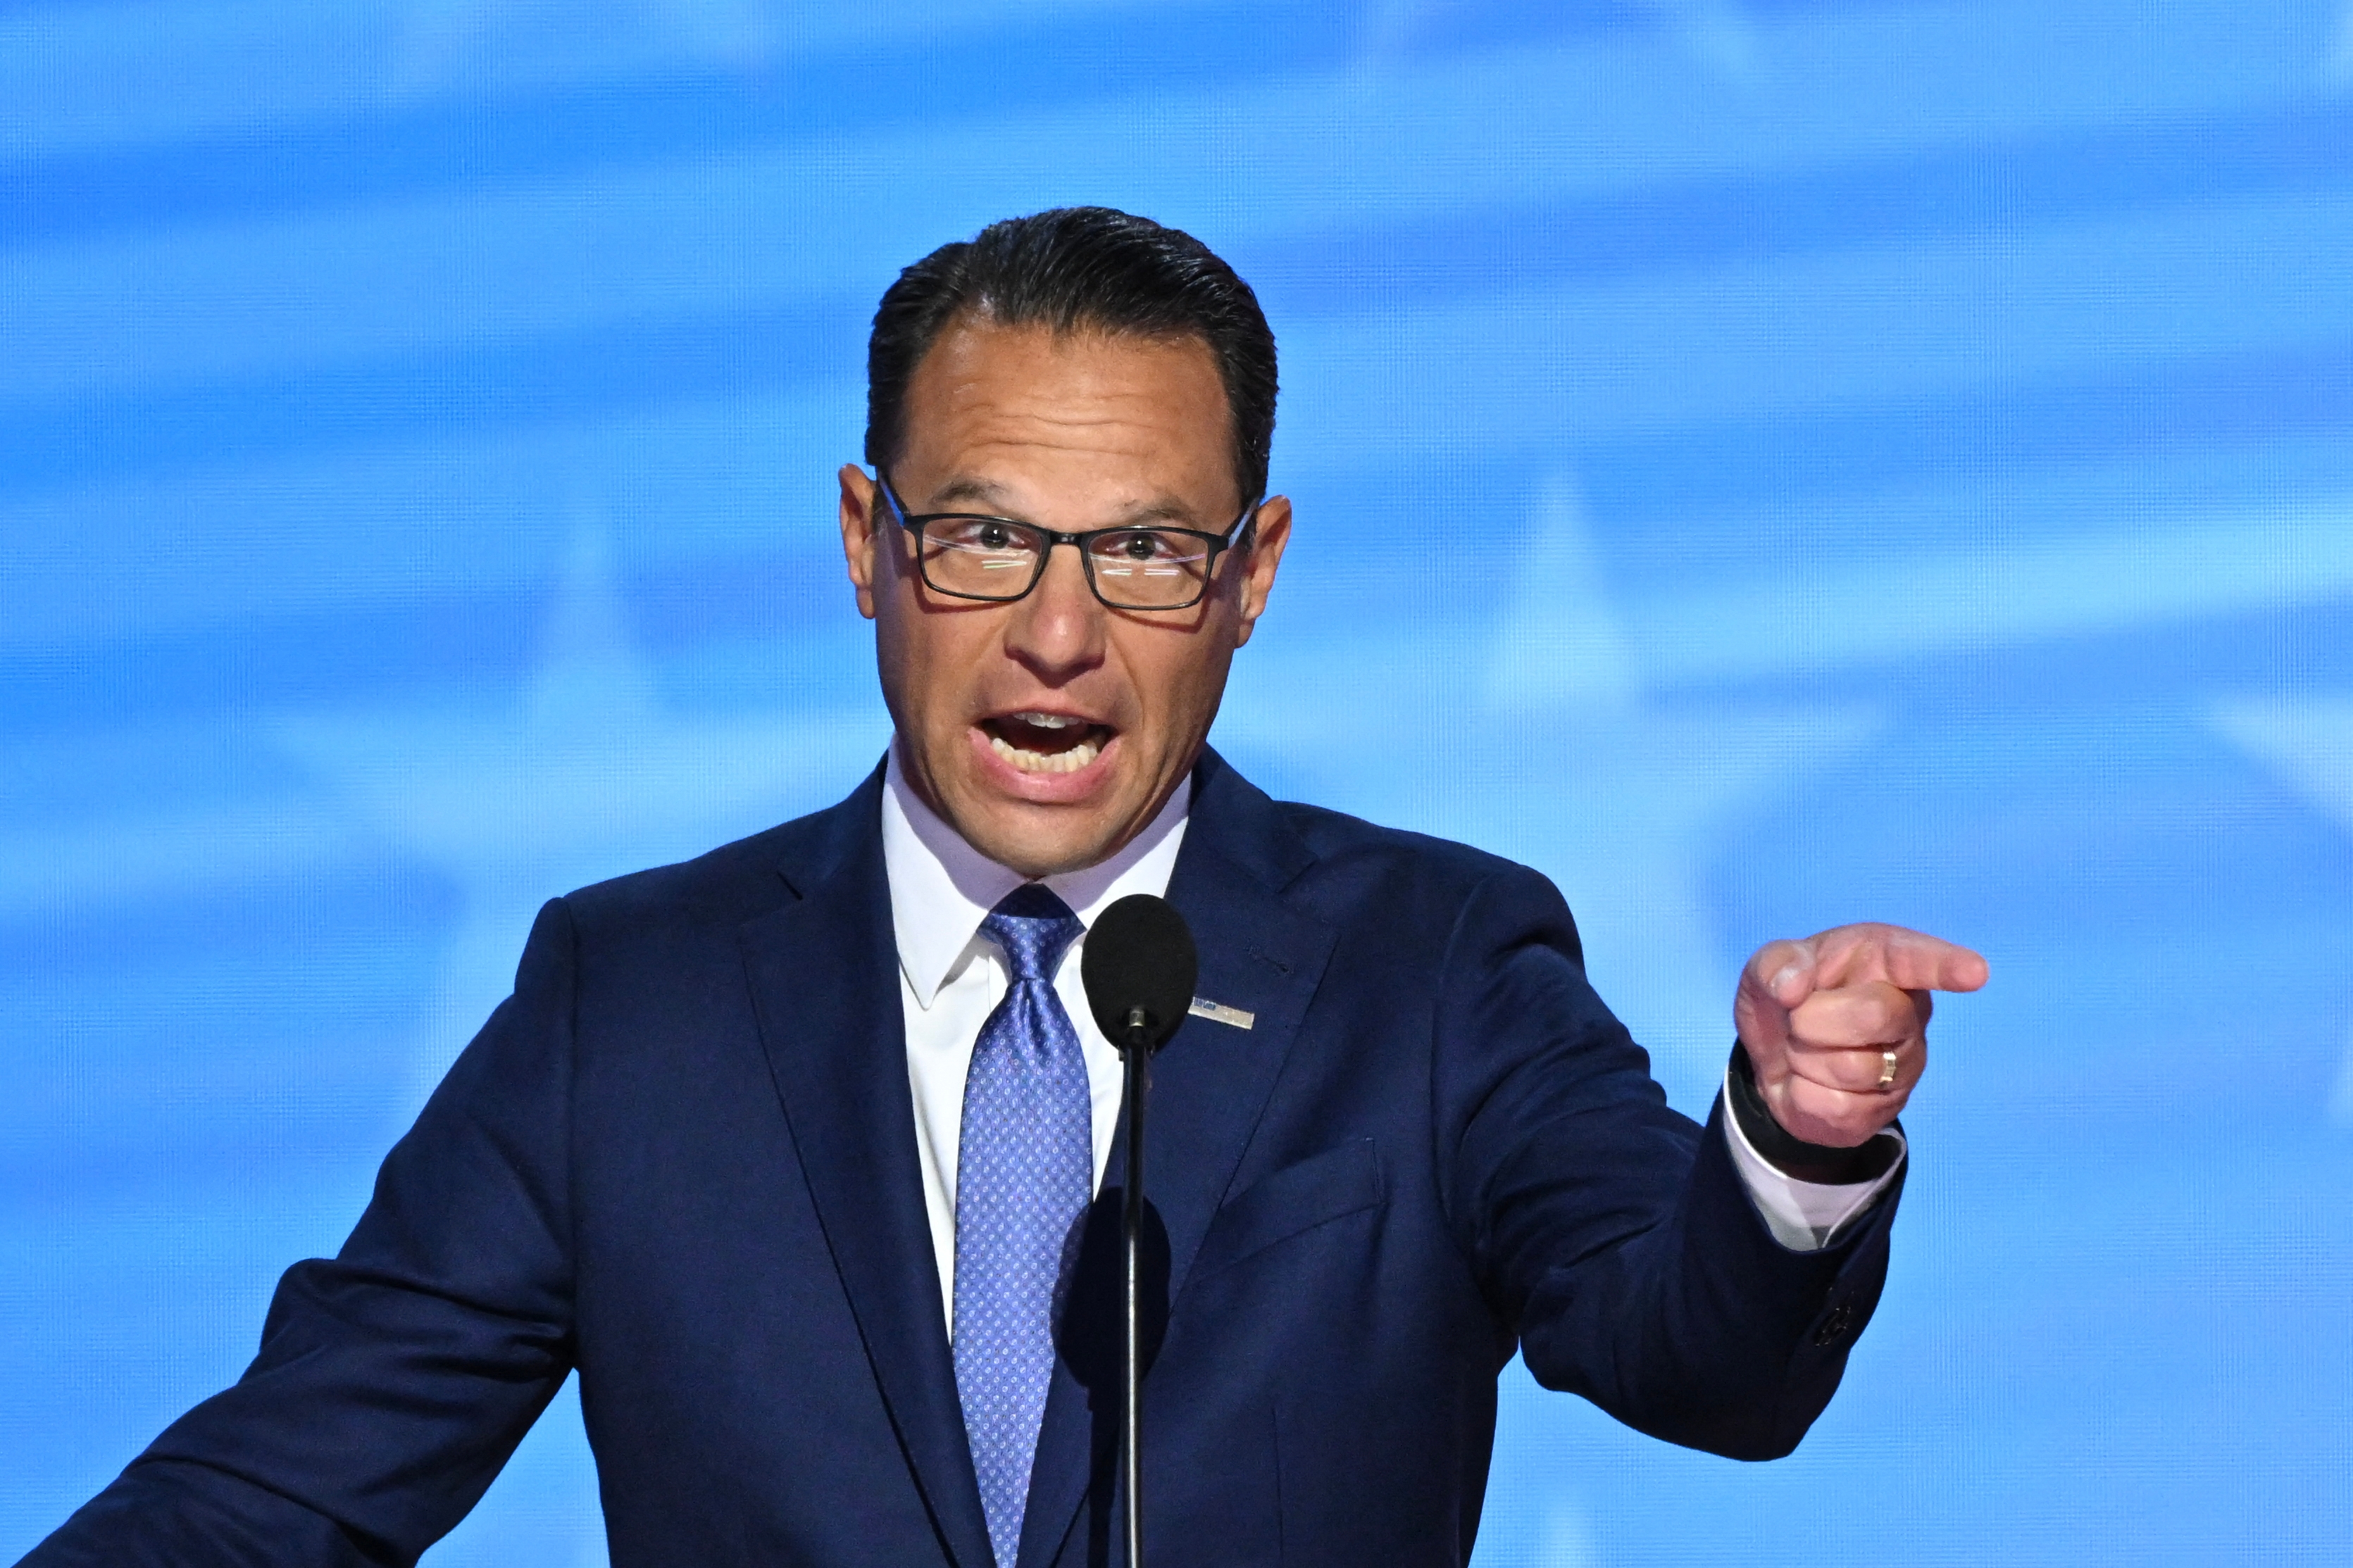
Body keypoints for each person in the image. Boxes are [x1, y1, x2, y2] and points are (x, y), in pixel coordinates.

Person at [20, 207, 1987, 1568]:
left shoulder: (1434, 967)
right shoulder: (634, 1007)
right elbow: (277, 1497)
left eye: (1142, 548)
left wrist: (1790, 1152)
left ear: (1252, 575)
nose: (1058, 632)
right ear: (869, 545)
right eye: (982, 536)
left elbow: (1697, 1355)